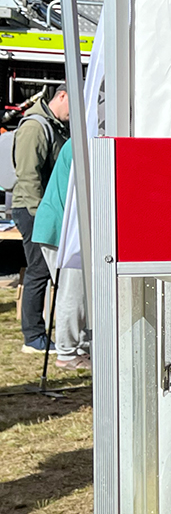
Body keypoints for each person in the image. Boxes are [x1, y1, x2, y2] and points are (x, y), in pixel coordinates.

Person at [11, 87, 70, 354]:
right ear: (62, 96)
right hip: (33, 210)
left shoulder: (54, 126)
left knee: (44, 271)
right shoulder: (36, 127)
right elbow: (28, 175)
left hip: (45, 210)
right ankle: (33, 337)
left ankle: (37, 334)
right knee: (39, 270)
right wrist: (39, 215)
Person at [33, 139, 90, 369]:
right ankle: (66, 352)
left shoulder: (81, 140)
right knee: (73, 292)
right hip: (61, 229)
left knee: (81, 292)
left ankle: (81, 347)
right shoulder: (83, 142)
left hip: (63, 227)